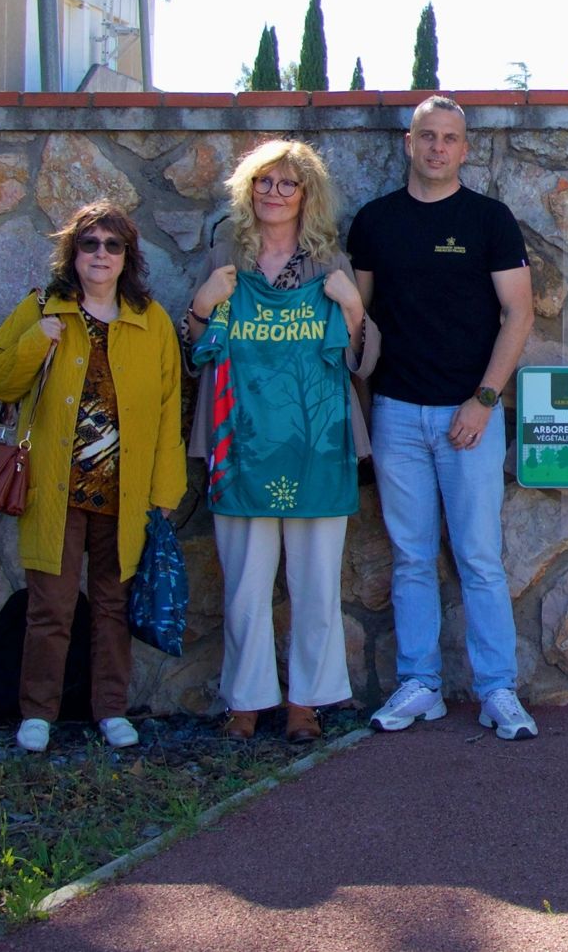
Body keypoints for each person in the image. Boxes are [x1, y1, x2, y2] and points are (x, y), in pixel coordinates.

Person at [347, 96, 537, 739]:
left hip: (470, 416)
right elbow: (358, 321)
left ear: (464, 148)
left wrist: (484, 400)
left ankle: (497, 690)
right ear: (409, 141)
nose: (437, 148)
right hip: (396, 413)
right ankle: (419, 684)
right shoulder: (374, 222)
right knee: (410, 557)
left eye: (450, 138)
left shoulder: (489, 219)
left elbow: (519, 314)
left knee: (480, 557)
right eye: (427, 136)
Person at [185, 141, 378, 742]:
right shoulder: (226, 257)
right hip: (238, 441)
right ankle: (245, 701)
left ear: (306, 195)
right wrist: (199, 307)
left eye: (287, 184)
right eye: (264, 182)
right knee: (244, 583)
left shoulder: (329, 262)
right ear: (248, 190)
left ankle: (308, 703)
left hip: (316, 443)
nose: (274, 192)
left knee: (316, 583)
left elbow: (360, 360)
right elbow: (196, 353)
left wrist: (352, 311)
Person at [0, 201, 186, 754]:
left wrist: (165, 491)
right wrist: (37, 339)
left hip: (124, 492)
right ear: (73, 253)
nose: (101, 254)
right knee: (50, 606)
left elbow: (171, 411)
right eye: (89, 243)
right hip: (55, 488)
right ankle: (38, 713)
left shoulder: (152, 321)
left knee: (113, 607)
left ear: (128, 257)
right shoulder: (44, 308)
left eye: (112, 245)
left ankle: (111, 710)